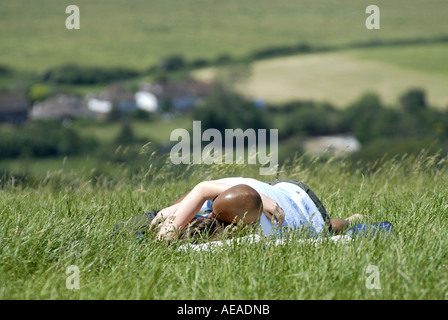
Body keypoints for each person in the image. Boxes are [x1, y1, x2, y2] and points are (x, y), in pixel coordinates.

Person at [114, 177, 362, 242]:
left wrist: (168, 216)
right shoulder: (241, 213)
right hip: (277, 192)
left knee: (329, 228)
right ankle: (350, 220)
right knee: (328, 228)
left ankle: (350, 220)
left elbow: (203, 190)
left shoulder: (262, 229)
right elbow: (203, 190)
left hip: (298, 201)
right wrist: (172, 212)